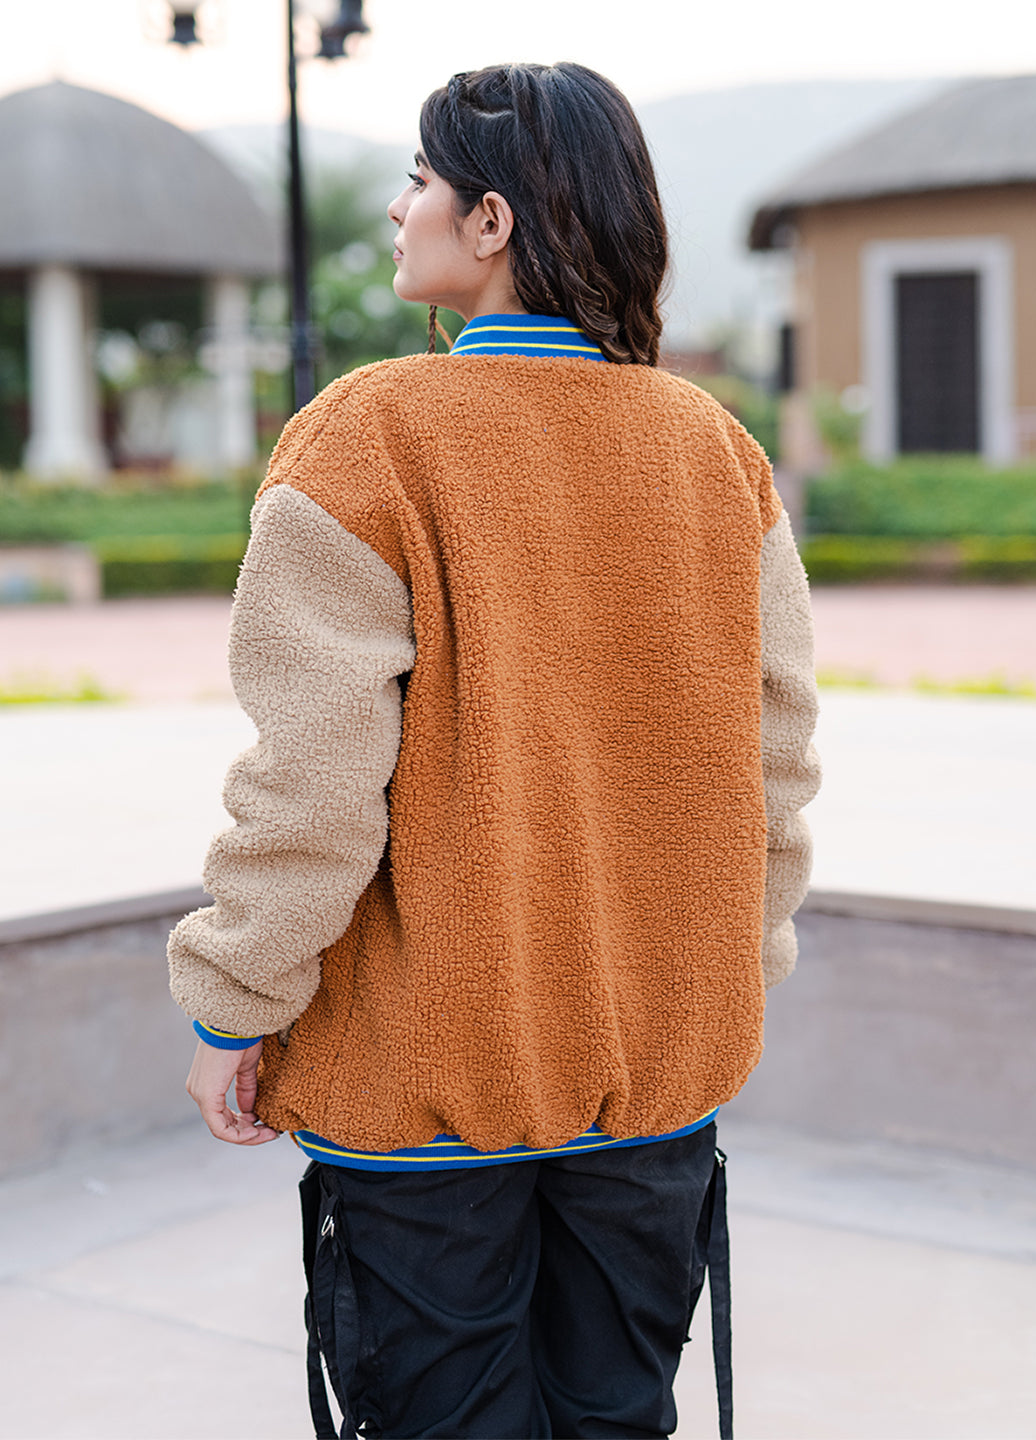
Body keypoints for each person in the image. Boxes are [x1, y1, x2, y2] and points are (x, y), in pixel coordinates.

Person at [171, 61, 820, 1440]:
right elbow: (776, 764)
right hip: (654, 1079)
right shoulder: (717, 451)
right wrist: (719, 983)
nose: (396, 207)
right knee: (616, 1417)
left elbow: (315, 783)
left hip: (425, 1094)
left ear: (492, 223)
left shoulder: (368, 439)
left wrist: (237, 1001)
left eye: (420, 179)